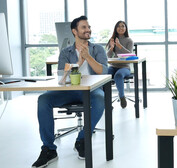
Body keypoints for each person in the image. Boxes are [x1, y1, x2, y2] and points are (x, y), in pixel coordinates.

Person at [32, 16, 108, 168]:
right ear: (74, 31)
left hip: (92, 90)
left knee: (101, 99)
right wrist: (78, 63)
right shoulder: (66, 51)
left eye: (89, 27)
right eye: (84, 27)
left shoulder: (97, 49)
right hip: (70, 90)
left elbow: (104, 71)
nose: (88, 30)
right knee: (43, 100)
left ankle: (82, 139)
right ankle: (49, 149)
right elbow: (61, 76)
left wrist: (88, 57)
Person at [106, 20, 134, 108]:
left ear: (126, 28)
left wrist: (120, 46)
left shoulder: (129, 40)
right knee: (105, 75)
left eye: (123, 26)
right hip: (113, 65)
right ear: (115, 28)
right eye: (118, 26)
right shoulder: (112, 39)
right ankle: (106, 100)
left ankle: (122, 97)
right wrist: (112, 47)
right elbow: (108, 56)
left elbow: (130, 54)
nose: (121, 28)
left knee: (118, 75)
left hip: (125, 67)